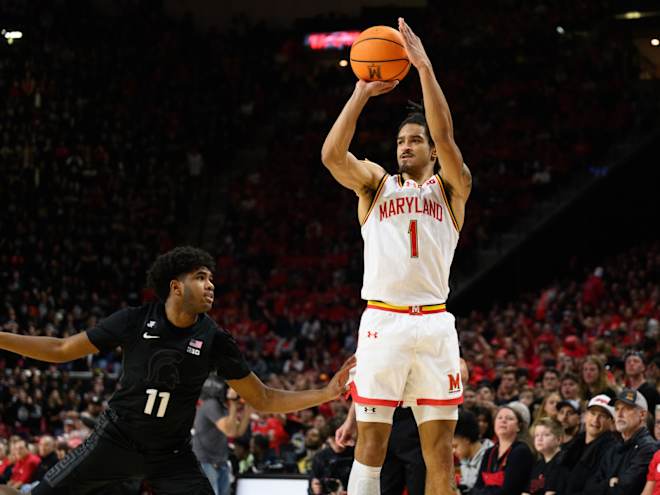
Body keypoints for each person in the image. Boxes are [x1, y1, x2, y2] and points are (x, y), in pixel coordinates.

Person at [0, 246, 354, 495]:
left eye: (212, 278)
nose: (211, 284)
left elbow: (262, 398)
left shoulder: (215, 338)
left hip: (170, 455)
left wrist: (325, 393)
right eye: (201, 277)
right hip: (114, 440)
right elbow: (62, 349)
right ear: (175, 286)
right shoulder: (133, 320)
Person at [321, 17, 472, 495]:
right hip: (382, 322)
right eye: (401, 141)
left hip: (433, 323)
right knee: (371, 444)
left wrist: (424, 68)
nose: (405, 146)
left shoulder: (451, 188)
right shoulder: (375, 184)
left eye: (414, 141)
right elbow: (331, 155)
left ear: (429, 150)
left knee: (439, 451)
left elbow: (447, 138)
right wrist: (362, 93)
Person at [583, 389, 657, 494]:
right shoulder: (613, 448)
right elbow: (589, 488)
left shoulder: (648, 448)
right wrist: (609, 482)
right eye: (617, 409)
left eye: (626, 409)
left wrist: (606, 485)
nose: (619, 414)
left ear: (642, 415)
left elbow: (626, 489)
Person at [192, 376, 252, 495]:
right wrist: (233, 404)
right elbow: (229, 431)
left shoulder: (221, 406)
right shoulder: (210, 404)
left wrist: (249, 407)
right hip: (206, 462)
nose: (232, 391)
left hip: (220, 461)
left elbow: (237, 432)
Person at [560, 394, 617, 495]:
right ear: (585, 416)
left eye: (602, 416)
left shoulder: (611, 450)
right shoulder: (574, 444)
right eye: (593, 413)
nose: (596, 420)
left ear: (611, 422)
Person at [472, 406, 534, 495]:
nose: (503, 420)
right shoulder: (489, 452)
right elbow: (477, 486)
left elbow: (508, 491)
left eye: (509, 418)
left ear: (518, 427)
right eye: (499, 418)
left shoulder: (521, 451)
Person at [523, 418, 568, 495]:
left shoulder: (562, 462)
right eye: (536, 435)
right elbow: (526, 492)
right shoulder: (538, 465)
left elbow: (551, 492)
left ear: (559, 439)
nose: (539, 439)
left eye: (546, 435)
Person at [453, 410, 494, 494]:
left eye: (455, 446)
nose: (453, 451)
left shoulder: (492, 457)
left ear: (466, 440)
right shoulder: (464, 459)